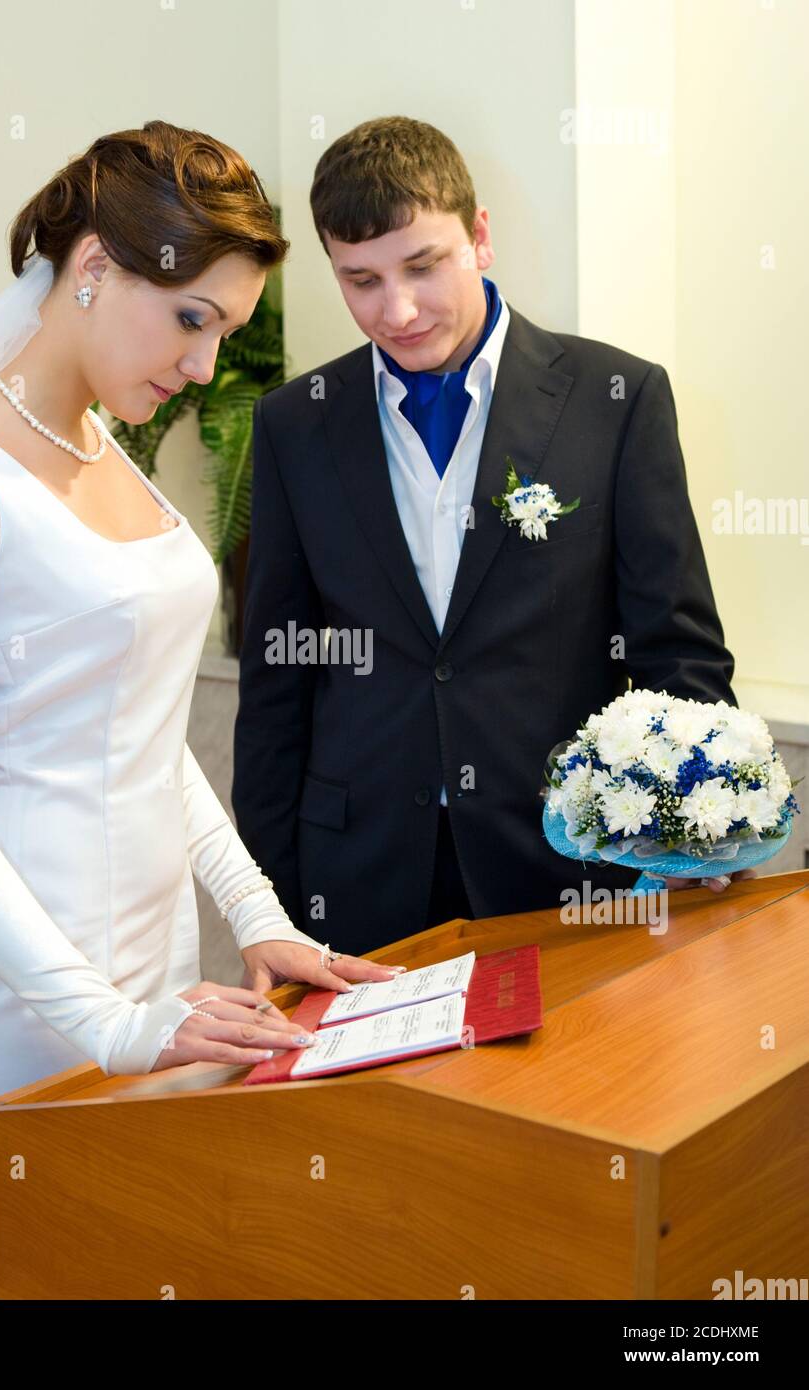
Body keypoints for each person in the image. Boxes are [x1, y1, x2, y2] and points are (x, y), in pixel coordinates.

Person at [0, 120, 401, 1300]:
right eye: (195, 321)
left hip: (153, 955)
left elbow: (147, 733)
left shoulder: (107, 447)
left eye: (225, 331)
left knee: (141, 1253)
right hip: (19, 970)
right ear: (99, 267)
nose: (207, 369)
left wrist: (259, 919)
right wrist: (103, 1023)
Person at [232, 115, 750, 960]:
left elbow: (675, 649)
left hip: (566, 867)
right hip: (355, 873)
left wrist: (699, 826)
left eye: (422, 267)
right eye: (359, 280)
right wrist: (266, 902)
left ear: (478, 238)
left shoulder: (614, 400)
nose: (395, 311)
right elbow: (276, 680)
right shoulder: (295, 423)